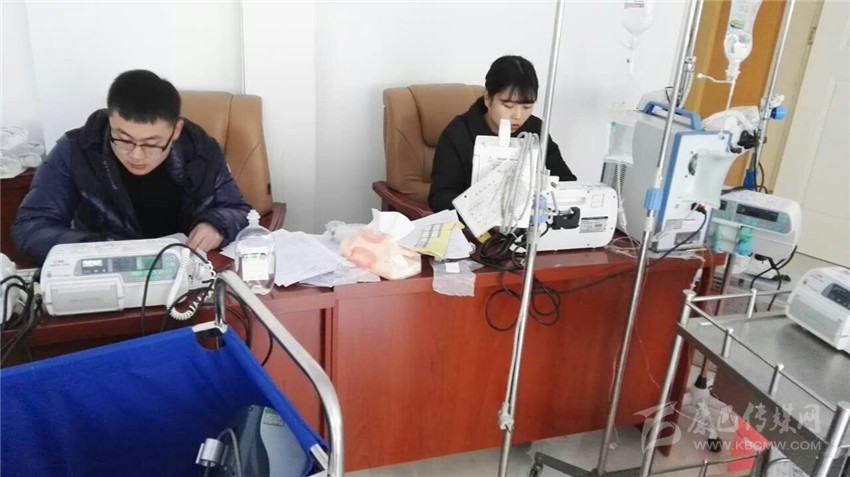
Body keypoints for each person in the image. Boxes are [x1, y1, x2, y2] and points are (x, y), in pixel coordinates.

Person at [12, 70, 250, 265]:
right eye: (123, 139)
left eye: (151, 143)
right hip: (106, 274)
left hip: (183, 273)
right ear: (110, 121)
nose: (136, 155)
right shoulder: (75, 150)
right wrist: (99, 249)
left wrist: (216, 226)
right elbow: (30, 228)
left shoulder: (201, 150)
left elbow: (238, 210)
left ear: (176, 130)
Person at [428, 55, 576, 213]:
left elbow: (566, 182)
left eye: (527, 107)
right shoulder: (458, 133)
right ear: (487, 98)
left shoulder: (535, 130)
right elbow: (439, 198)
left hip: (528, 221)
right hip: (473, 223)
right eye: (508, 106)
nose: (518, 116)